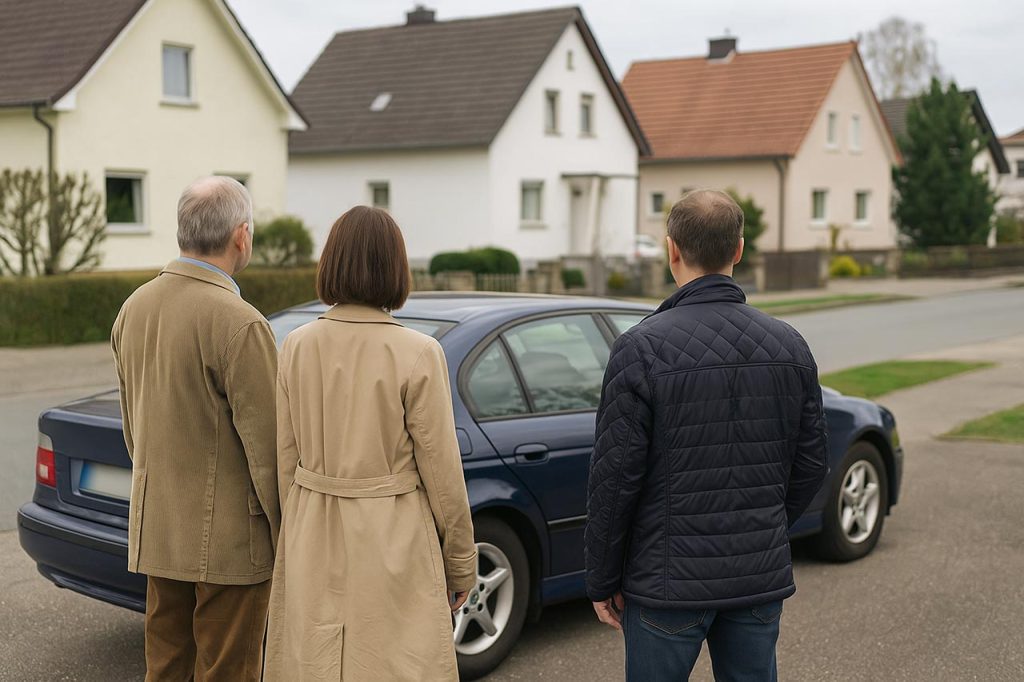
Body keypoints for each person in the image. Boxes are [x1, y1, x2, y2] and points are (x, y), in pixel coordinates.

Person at [585, 189, 829, 681]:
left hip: (666, 584)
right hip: (755, 577)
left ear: (671, 248)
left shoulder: (640, 348)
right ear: (739, 250)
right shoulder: (789, 343)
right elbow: (811, 463)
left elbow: (614, 479)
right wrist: (764, 526)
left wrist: (601, 578)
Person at [265, 206, 477, 681]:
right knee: (392, 663)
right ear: (395, 268)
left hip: (312, 527)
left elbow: (285, 457)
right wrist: (461, 563)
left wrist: (293, 533)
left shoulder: (296, 345)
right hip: (392, 537)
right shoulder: (418, 352)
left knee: (314, 663)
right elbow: (443, 474)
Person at [111, 176, 280, 681]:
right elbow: (268, 452)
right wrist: (291, 535)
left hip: (160, 529)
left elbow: (132, 430)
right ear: (241, 236)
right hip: (233, 545)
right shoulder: (240, 322)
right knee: (229, 671)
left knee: (165, 668)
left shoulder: (133, 308)